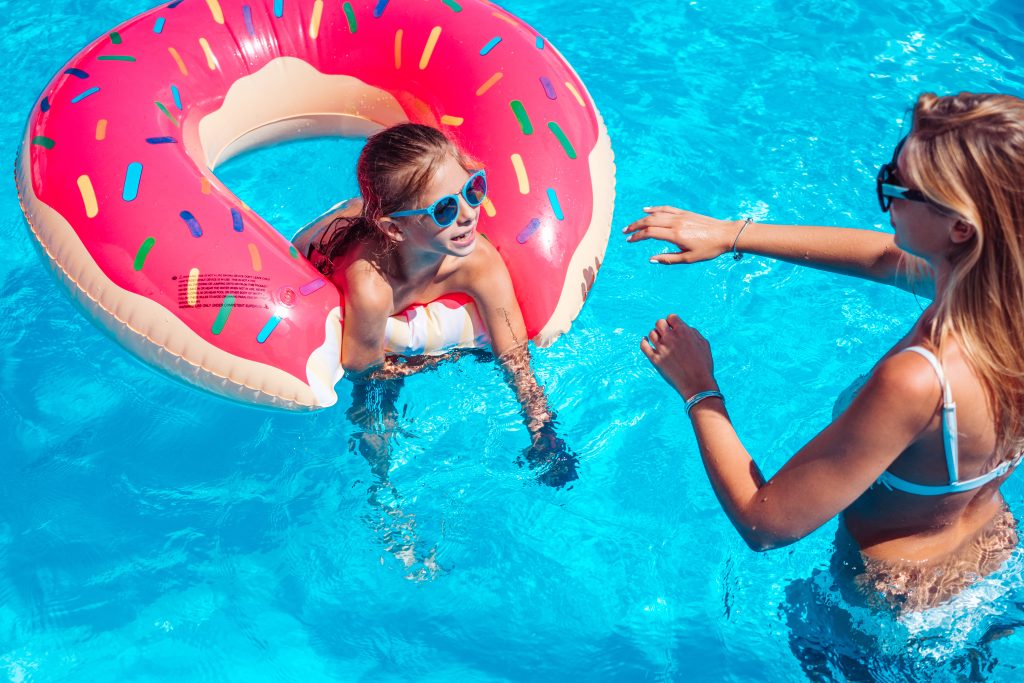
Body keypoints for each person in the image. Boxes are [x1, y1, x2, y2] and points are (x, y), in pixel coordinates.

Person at [624, 92, 1024, 611]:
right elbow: (885, 258)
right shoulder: (1002, 297)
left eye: (897, 187)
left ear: (961, 227)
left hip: (892, 605)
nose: (885, 194)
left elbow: (764, 523)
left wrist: (697, 386)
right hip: (995, 550)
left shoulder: (919, 381)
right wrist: (732, 234)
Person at [293, 123, 577, 491]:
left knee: (487, 357)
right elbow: (365, 375)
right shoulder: (372, 288)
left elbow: (514, 354)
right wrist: (426, 361)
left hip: (383, 223)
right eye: (444, 209)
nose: (468, 214)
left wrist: (541, 428)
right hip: (334, 247)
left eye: (472, 190)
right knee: (378, 430)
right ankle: (384, 500)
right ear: (395, 230)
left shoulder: (477, 260)